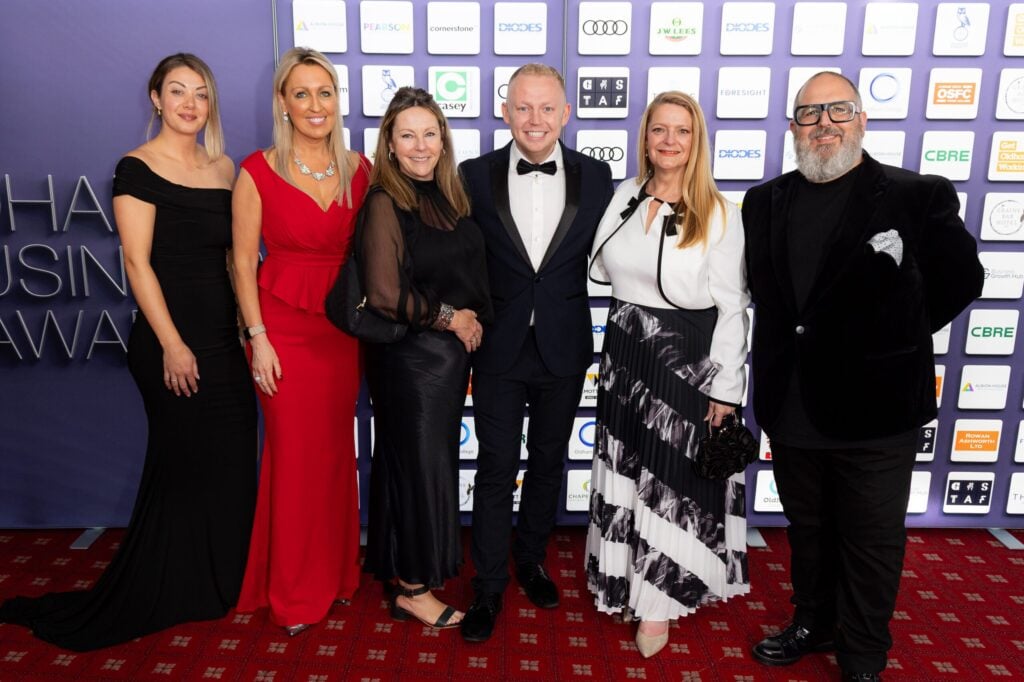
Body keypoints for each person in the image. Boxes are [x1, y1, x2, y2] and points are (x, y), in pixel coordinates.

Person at [0, 53, 257, 651]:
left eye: (201, 93)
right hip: (170, 342)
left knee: (230, 463)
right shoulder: (135, 167)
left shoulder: (224, 168)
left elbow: (233, 258)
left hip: (223, 341)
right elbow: (137, 264)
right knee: (183, 467)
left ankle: (218, 581)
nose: (190, 104)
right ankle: (169, 586)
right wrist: (172, 344)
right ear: (155, 98)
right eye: (178, 91)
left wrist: (247, 329)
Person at [743, 72, 984, 681]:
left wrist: (896, 334)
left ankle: (862, 656)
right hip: (792, 401)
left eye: (838, 110)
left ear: (862, 120)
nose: (823, 123)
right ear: (792, 127)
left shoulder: (915, 194)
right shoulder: (763, 200)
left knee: (871, 540)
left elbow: (963, 278)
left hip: (879, 408)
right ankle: (813, 622)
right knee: (809, 529)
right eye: (809, 113)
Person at [584, 91, 751, 658]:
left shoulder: (721, 212)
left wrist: (725, 390)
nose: (670, 141)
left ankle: (659, 602)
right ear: (646, 137)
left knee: (670, 478)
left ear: (696, 140)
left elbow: (733, 308)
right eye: (659, 129)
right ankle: (621, 577)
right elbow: (601, 266)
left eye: (682, 131)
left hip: (685, 360)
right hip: (625, 351)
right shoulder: (625, 195)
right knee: (627, 469)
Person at [458, 63, 614, 643]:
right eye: (523, 107)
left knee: (549, 462)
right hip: (496, 344)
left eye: (547, 108)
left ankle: (531, 560)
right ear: (505, 112)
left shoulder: (598, 176)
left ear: (565, 113)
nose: (535, 119)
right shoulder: (473, 175)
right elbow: (455, 255)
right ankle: (488, 584)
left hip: (564, 343)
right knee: (495, 467)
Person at [232, 47, 370, 637]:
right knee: (293, 457)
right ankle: (292, 591)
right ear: (283, 104)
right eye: (302, 94)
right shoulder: (256, 171)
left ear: (338, 100)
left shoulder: (361, 169)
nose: (316, 105)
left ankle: (336, 573)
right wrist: (257, 337)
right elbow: (242, 263)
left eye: (325, 92)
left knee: (335, 452)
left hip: (342, 331)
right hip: (280, 329)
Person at [360, 87, 491, 629]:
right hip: (408, 362)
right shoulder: (385, 202)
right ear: (389, 144)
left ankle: (408, 578)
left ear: (443, 139)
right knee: (416, 469)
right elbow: (384, 293)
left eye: (429, 134)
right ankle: (414, 590)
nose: (420, 146)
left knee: (422, 465)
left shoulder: (446, 196)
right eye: (407, 135)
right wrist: (452, 318)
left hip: (443, 363)